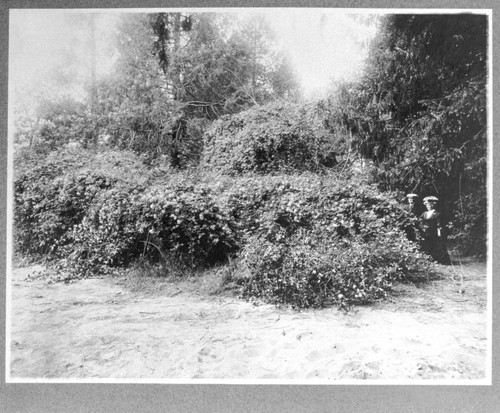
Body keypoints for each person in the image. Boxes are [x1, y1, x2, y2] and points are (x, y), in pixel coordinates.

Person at [419, 196, 451, 264]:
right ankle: (427, 259)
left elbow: (438, 225)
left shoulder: (437, 214)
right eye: (427, 204)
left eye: (429, 204)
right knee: (426, 245)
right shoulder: (424, 213)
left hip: (433, 232)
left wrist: (439, 233)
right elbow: (420, 222)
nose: (428, 206)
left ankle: (438, 259)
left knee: (435, 245)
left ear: (433, 205)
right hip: (425, 232)